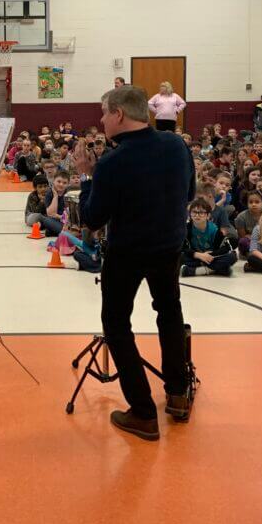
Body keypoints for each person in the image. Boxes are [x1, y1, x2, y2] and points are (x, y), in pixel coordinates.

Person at [73, 85, 195, 441]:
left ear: (119, 114)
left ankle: (143, 412)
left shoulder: (112, 162)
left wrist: (87, 176)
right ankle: (177, 395)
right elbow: (189, 194)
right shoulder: (176, 145)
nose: (101, 120)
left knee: (116, 324)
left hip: (128, 252)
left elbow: (92, 218)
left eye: (103, 113)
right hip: (169, 246)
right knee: (169, 313)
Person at [180, 199, 235, 277]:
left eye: (201, 212)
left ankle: (195, 271)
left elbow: (227, 247)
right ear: (190, 214)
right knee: (178, 256)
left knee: (232, 256)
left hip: (210, 257)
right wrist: (198, 255)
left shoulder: (214, 230)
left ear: (208, 215)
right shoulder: (186, 229)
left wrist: (209, 255)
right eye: (194, 212)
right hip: (195, 256)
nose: (197, 215)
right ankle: (217, 269)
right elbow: (182, 247)